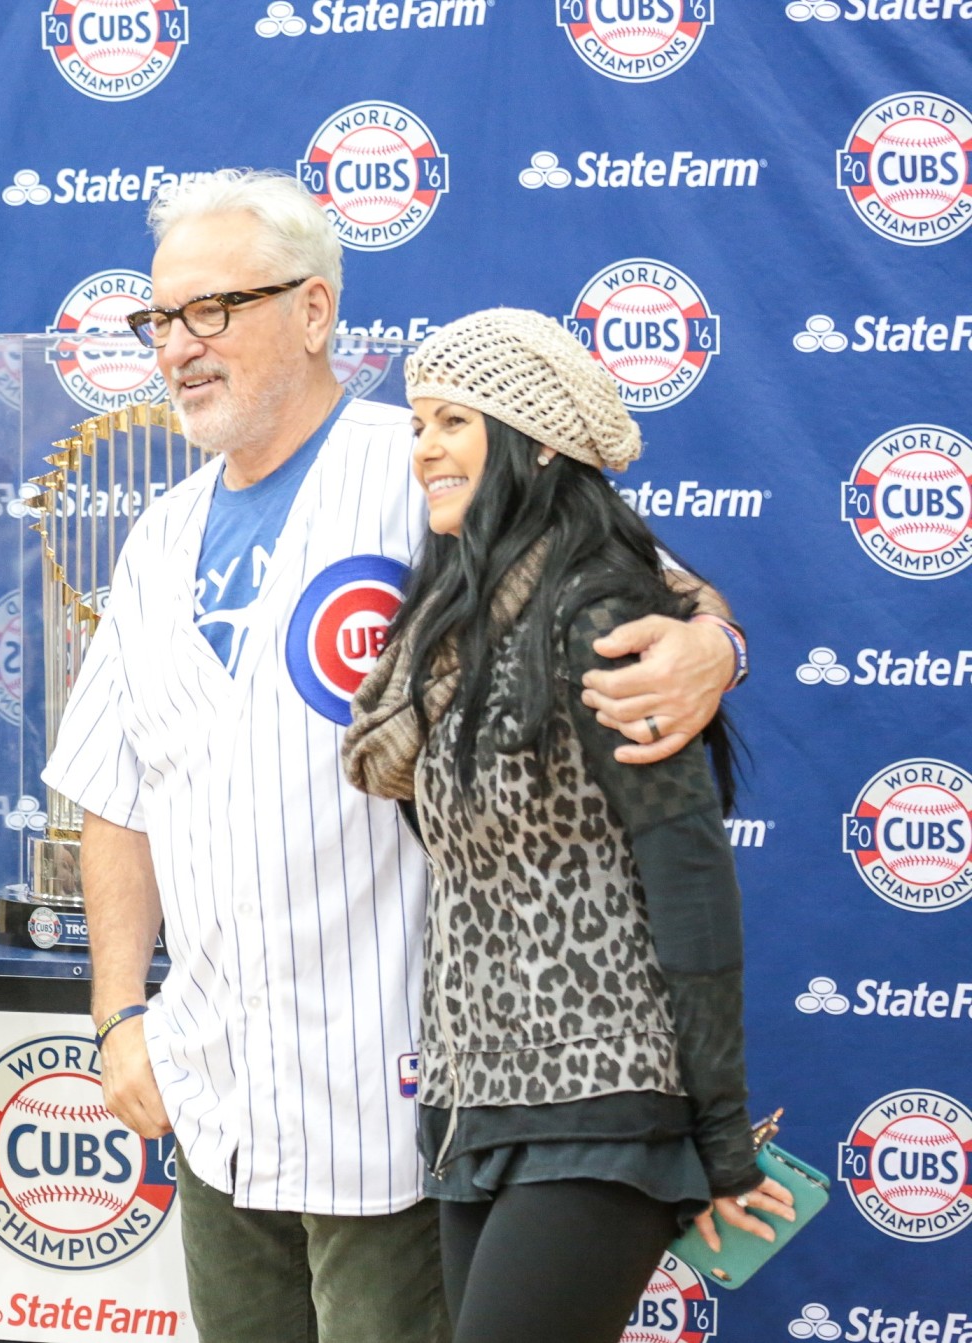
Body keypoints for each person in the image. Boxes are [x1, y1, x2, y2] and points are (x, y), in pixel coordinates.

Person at [41, 172, 750, 1343]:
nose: (179, 347)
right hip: (212, 1085)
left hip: (400, 1092)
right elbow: (119, 793)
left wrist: (714, 643)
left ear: (314, 311)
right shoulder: (158, 535)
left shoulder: (423, 465)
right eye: (160, 320)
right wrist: (120, 1012)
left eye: (212, 310)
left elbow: (641, 585)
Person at [342, 308, 795, 1343]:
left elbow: (688, 875)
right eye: (417, 423)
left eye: (452, 420)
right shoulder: (450, 635)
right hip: (473, 1103)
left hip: (602, 1096)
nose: (424, 450)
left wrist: (720, 1133)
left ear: (537, 442)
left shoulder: (602, 615)